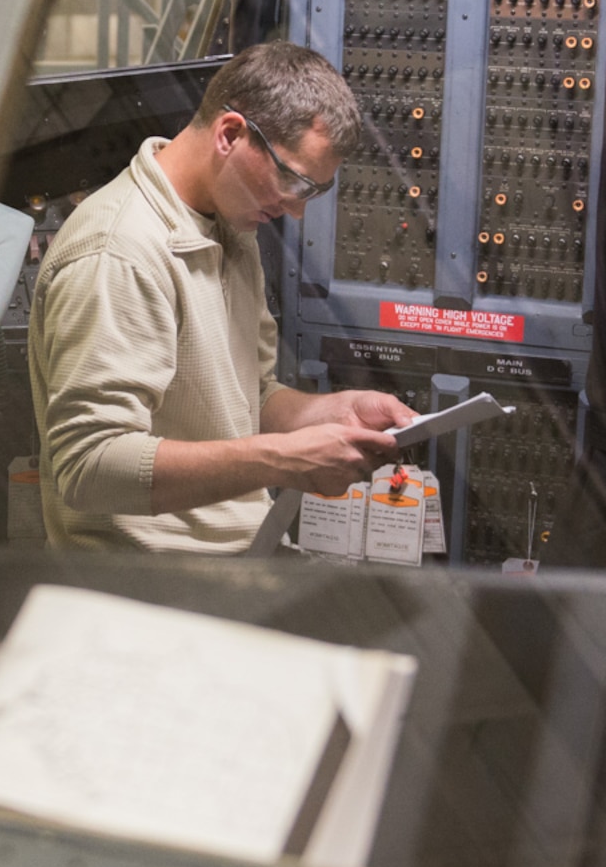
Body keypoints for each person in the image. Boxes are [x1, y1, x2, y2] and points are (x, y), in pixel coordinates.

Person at [29, 40, 416, 552]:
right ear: (230, 133)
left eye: (312, 193)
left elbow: (247, 399)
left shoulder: (228, 224)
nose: (295, 211)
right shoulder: (119, 252)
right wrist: (285, 459)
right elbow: (89, 465)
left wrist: (336, 414)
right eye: (293, 181)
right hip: (149, 591)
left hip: (234, 563)